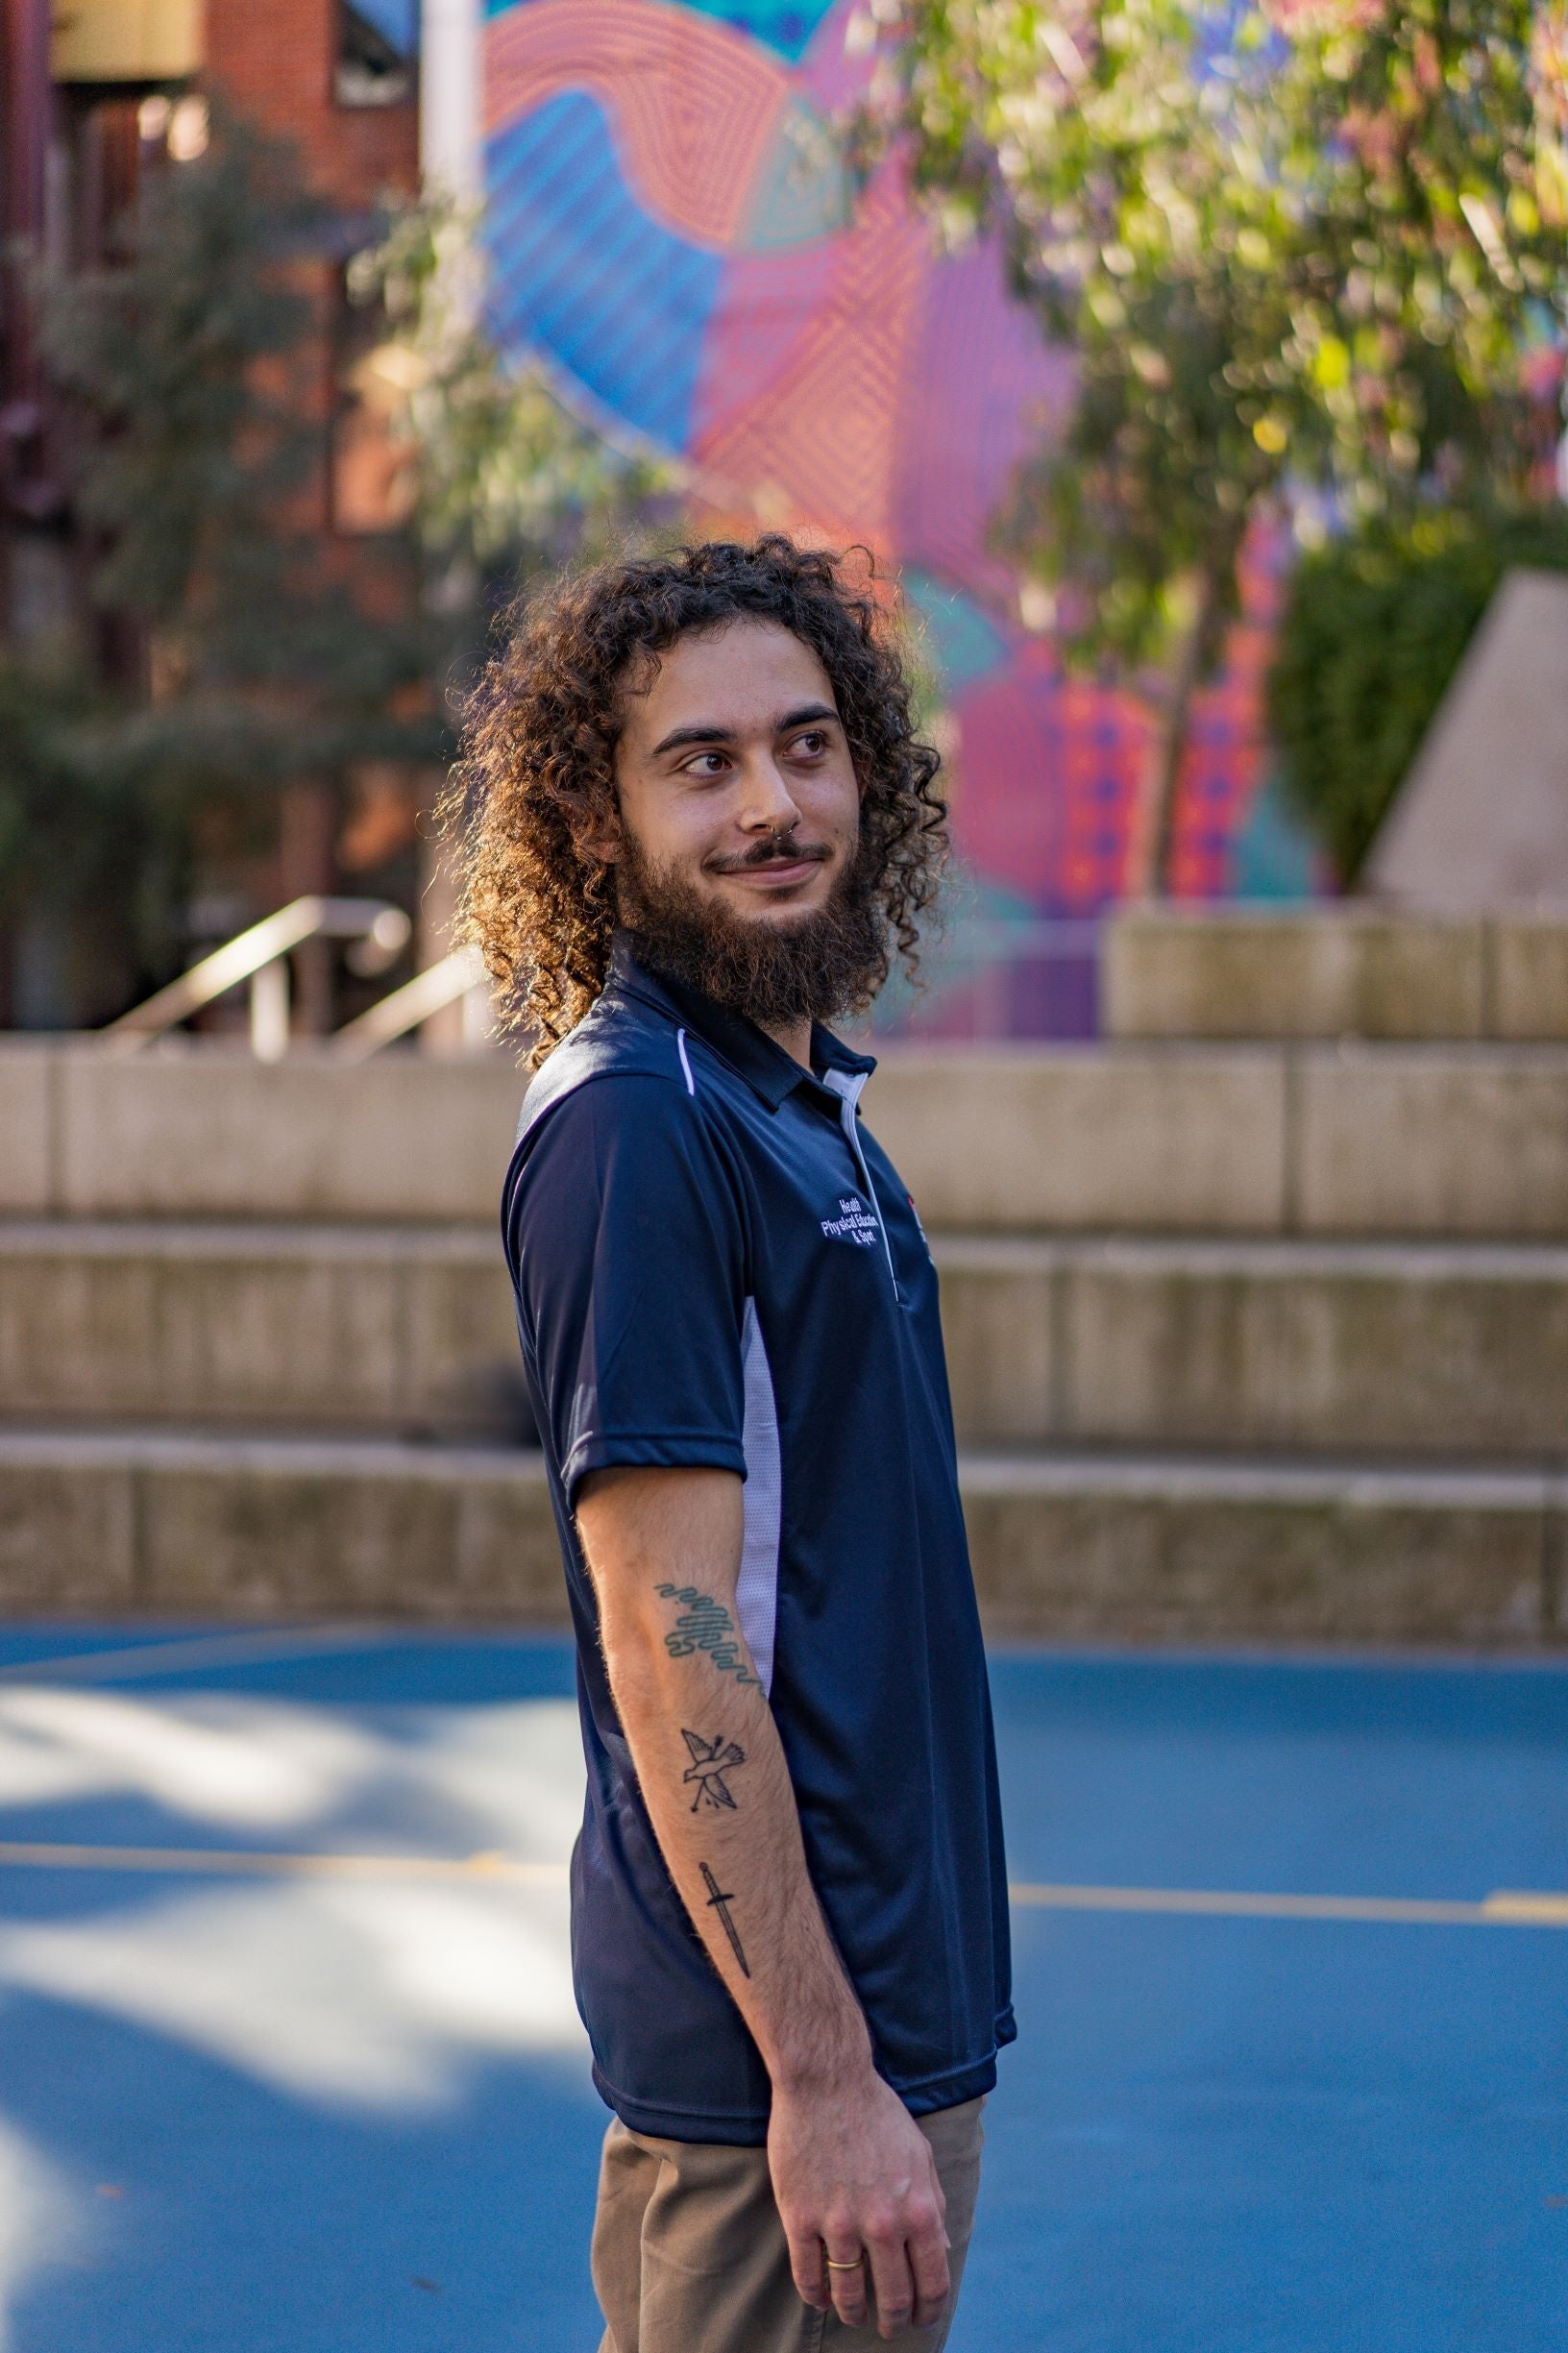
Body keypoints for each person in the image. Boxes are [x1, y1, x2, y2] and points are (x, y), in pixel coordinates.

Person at [451, 535, 1014, 2351]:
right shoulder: (641, 1122)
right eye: (703, 763)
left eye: (806, 744)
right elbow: (673, 1639)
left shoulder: (791, 1099)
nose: (773, 802)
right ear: (596, 820)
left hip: (876, 2003)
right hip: (785, 2056)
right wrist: (825, 2076)